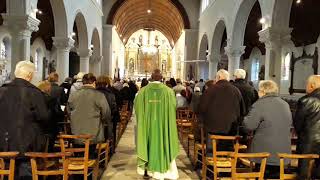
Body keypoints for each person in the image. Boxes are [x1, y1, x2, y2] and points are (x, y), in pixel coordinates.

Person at [0, 60, 49, 179]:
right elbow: (43, 117)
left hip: (4, 143)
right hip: (27, 144)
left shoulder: (2, 91)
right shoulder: (35, 93)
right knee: (25, 174)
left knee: (8, 173)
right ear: (29, 75)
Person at [135, 69, 179, 179]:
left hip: (148, 125)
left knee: (147, 142)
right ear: (161, 78)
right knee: (164, 141)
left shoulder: (143, 92)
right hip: (163, 125)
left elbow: (137, 109)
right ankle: (164, 170)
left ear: (151, 77)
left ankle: (147, 169)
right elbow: (173, 107)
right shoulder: (168, 92)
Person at [244, 80, 292, 179]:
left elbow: (249, 126)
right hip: (282, 150)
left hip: (264, 151)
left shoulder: (259, 104)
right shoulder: (285, 104)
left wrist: (245, 119)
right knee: (276, 176)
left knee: (262, 175)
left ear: (262, 91)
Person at [199, 69, 245, 155]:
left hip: (212, 127)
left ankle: (211, 166)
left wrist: (201, 123)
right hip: (230, 128)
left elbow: (202, 108)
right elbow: (242, 111)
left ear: (219, 77)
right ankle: (228, 164)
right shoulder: (236, 90)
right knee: (227, 151)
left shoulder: (210, 90)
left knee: (212, 151)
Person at [68, 73, 111, 155]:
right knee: (90, 154)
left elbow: (68, 111)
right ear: (94, 82)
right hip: (93, 132)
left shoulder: (73, 95)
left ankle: (78, 164)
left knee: (78, 152)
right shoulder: (99, 95)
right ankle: (89, 166)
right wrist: (102, 120)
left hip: (77, 131)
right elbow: (106, 113)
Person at [294, 75, 320, 179]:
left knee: (304, 173)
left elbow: (298, 123)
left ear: (312, 85)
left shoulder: (306, 100)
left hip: (308, 142)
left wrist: (301, 134)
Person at [96, 75, 120, 153]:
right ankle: (109, 151)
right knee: (107, 136)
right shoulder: (111, 94)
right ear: (107, 83)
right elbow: (114, 108)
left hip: (95, 120)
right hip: (108, 119)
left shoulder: (94, 93)